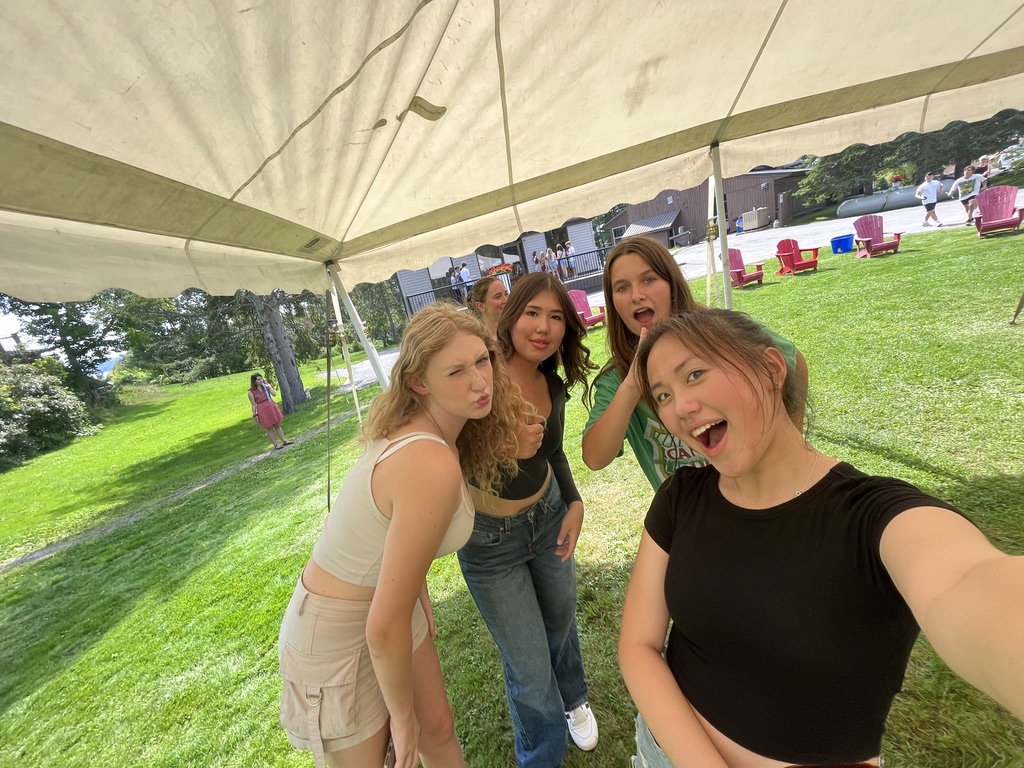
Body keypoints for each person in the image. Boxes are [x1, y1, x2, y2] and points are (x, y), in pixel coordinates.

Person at [619, 309, 1024, 768]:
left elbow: (965, 582)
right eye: (663, 395)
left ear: (771, 369)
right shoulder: (681, 496)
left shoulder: (872, 517)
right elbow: (638, 645)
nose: (679, 408)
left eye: (695, 374)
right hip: (661, 753)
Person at [277, 304, 521, 768]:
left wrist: (414, 584)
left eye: (482, 360)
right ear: (418, 383)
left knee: (439, 732)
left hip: (386, 606)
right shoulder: (428, 460)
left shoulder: (433, 431)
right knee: (395, 751)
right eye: (456, 371)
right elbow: (381, 626)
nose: (480, 381)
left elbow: (389, 529)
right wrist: (402, 716)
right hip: (338, 629)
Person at [458, 272, 600, 767]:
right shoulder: (480, 377)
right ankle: (542, 756)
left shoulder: (551, 384)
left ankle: (574, 697)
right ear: (511, 315)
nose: (543, 327)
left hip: (549, 518)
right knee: (529, 666)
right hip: (489, 542)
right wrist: (504, 446)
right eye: (532, 313)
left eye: (556, 317)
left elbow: (553, 453)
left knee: (561, 621)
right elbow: (445, 455)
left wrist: (574, 502)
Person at [581, 235, 807, 490]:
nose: (637, 295)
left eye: (649, 279)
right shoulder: (618, 378)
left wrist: (790, 441)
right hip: (689, 510)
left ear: (671, 283)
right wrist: (633, 384)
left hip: (760, 492)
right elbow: (595, 458)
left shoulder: (716, 331)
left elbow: (791, 358)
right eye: (622, 288)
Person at [249, 373, 293, 450]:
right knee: (269, 427)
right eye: (258, 380)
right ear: (254, 381)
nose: (260, 381)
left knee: (277, 425)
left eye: (261, 378)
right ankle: (276, 444)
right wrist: (255, 414)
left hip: (271, 406)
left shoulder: (265, 386)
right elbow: (253, 404)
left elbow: (274, 394)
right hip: (262, 409)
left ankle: (284, 440)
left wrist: (269, 388)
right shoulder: (251, 392)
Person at [467, 275, 509, 340]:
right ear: (480, 306)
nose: (506, 300)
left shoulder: (516, 330)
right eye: (498, 296)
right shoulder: (477, 341)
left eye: (506, 294)